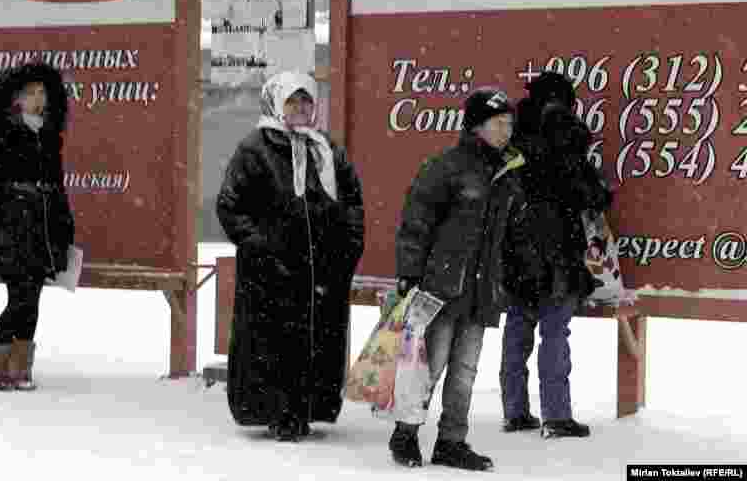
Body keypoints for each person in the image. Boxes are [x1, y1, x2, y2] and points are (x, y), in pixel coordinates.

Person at [216, 71, 365, 442]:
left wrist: (347, 249)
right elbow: (231, 207)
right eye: (292, 101)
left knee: (317, 339)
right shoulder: (255, 148)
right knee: (274, 343)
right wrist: (261, 247)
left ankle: (309, 408)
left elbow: (351, 205)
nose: (300, 109)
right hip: (272, 270)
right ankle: (278, 412)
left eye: (306, 101)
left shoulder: (326, 149)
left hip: (322, 269)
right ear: (275, 103)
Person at [390, 87, 527, 471]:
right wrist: (409, 274)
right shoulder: (446, 167)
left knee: (465, 372)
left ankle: (452, 440)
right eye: (498, 124)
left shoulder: (507, 173)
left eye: (509, 124)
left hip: (482, 291)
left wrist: (510, 277)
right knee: (428, 367)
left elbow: (511, 236)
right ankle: (406, 434)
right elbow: (416, 223)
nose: (506, 131)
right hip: (441, 287)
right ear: (476, 127)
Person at [499, 72, 612, 439]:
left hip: (517, 248)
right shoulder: (564, 137)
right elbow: (589, 193)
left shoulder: (512, 138)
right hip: (558, 248)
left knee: (517, 329)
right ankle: (556, 415)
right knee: (554, 333)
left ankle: (515, 411)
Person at [0, 62, 75, 391]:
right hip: (12, 228)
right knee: (20, 299)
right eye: (30, 93)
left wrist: (64, 226)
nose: (37, 99)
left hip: (42, 230)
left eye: (41, 92)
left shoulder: (48, 133)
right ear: (16, 98)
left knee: (33, 301)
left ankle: (20, 368)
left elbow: (57, 185)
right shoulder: (1, 128)